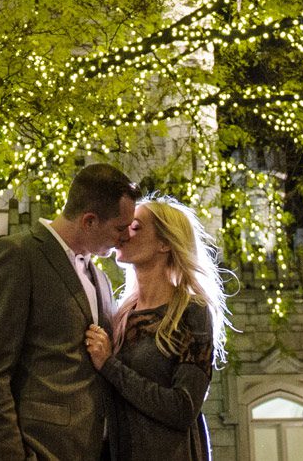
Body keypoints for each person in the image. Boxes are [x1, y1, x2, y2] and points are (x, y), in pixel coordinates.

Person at [0, 163, 139, 461]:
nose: (124, 238)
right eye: (119, 228)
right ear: (89, 221)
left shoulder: (99, 278)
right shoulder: (18, 256)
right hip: (43, 450)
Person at [85, 196, 228, 461]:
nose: (124, 233)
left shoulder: (191, 311)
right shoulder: (120, 313)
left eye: (136, 227)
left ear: (164, 243)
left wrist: (109, 365)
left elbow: (183, 408)